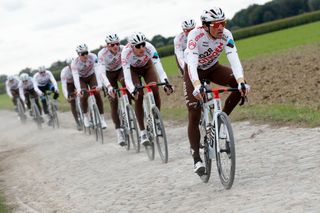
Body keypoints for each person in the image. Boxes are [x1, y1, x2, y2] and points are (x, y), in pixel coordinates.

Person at [184, 7, 250, 175]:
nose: (220, 27)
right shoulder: (195, 36)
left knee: (237, 84)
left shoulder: (226, 35)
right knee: (194, 110)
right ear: (206, 26)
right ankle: (196, 157)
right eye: (216, 24)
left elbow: (233, 57)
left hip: (213, 68)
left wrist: (241, 81)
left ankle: (222, 120)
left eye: (223, 23)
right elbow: (191, 63)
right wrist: (197, 85)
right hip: (194, 72)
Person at [122, 32, 174, 146]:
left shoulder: (150, 48)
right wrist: (132, 90)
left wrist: (166, 82)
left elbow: (159, 66)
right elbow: (126, 76)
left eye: (143, 44)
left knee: (155, 89)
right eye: (138, 46)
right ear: (132, 46)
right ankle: (142, 132)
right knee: (139, 96)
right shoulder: (125, 52)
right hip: (133, 70)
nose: (141, 48)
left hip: (147, 67)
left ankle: (156, 120)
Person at [97, 33, 127, 146]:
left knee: (126, 83)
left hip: (120, 71)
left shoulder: (123, 49)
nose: (115, 46)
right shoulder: (102, 54)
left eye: (117, 44)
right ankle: (119, 131)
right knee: (113, 103)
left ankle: (128, 107)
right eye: (112, 44)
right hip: (108, 75)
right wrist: (109, 87)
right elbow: (101, 73)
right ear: (107, 46)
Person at [71, 43, 109, 129]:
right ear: (78, 54)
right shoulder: (74, 63)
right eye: (82, 54)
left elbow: (98, 70)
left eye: (86, 53)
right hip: (81, 78)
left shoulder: (93, 57)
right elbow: (76, 77)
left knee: (97, 94)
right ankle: (85, 116)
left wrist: (99, 85)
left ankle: (102, 119)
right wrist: (79, 89)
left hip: (92, 76)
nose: (85, 55)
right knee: (84, 95)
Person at [61, 58, 82, 130]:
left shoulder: (78, 67)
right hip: (69, 86)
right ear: (67, 65)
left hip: (77, 83)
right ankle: (77, 122)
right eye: (70, 65)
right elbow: (63, 85)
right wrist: (67, 95)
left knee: (84, 97)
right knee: (72, 103)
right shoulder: (64, 72)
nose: (72, 66)